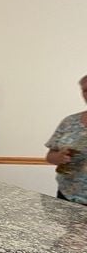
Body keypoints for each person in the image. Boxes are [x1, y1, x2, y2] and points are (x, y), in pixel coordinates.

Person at [45, 75, 87, 204]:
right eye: (85, 90)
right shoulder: (69, 122)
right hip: (67, 196)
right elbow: (49, 156)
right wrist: (58, 157)